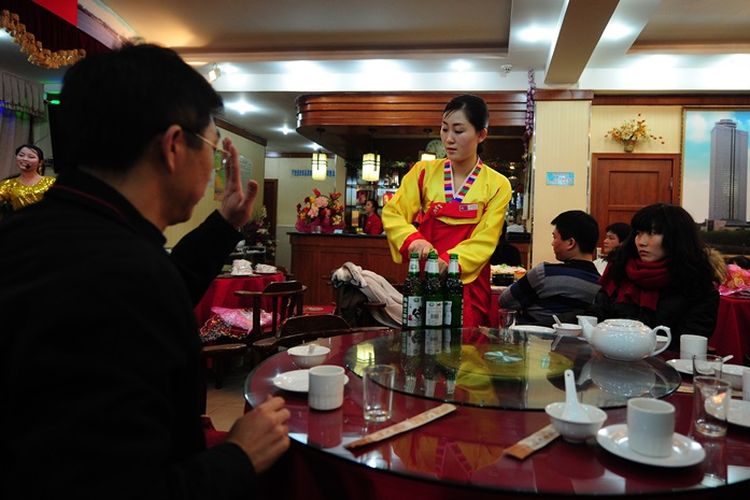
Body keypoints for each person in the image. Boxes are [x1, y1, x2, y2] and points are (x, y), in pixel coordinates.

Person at [0, 44, 290, 499]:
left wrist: (225, 223)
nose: (214, 164)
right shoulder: (124, 275)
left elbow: (161, 282)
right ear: (174, 146)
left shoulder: (40, 231)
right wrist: (239, 455)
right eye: (213, 146)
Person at [382, 94, 512, 330]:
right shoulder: (423, 172)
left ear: (481, 134)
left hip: (469, 280)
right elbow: (393, 212)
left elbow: (486, 238)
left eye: (459, 131)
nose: (448, 139)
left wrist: (449, 262)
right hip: (426, 276)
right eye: (444, 129)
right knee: (420, 342)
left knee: (466, 349)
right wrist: (413, 240)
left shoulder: (498, 184)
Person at [594, 203, 719, 350]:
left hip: (667, 367)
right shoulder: (620, 271)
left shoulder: (697, 286)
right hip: (611, 360)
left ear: (676, 238)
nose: (642, 242)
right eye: (639, 233)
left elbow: (690, 343)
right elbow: (596, 318)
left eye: (653, 233)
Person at [500, 210, 601, 326]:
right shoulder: (600, 284)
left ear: (570, 243)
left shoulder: (545, 274)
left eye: (555, 237)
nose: (552, 243)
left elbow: (505, 300)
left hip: (530, 340)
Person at [0, 144, 55, 213]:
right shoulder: (7, 185)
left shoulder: (51, 182)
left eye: (31, 157)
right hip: (21, 222)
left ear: (40, 162)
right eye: (21, 155)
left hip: (47, 222)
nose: (25, 159)